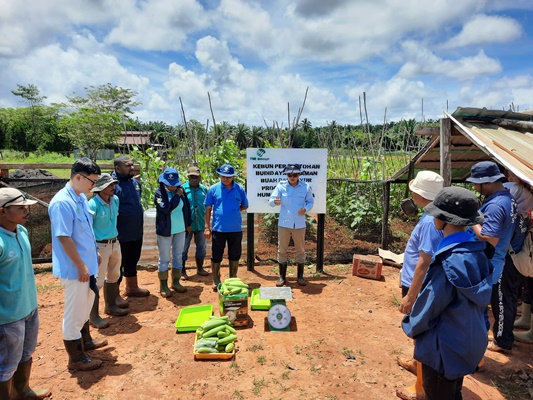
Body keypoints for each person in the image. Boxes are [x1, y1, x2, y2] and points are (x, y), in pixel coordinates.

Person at [402, 186, 493, 400]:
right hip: (466, 341)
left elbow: (429, 308)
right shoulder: (478, 252)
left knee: (438, 392)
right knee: (453, 391)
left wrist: (410, 325)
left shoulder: (447, 262)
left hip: (442, 349)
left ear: (444, 220)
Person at [49, 157, 107, 371]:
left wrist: (93, 254)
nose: (94, 186)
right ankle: (76, 359)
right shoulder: (62, 202)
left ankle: (86, 342)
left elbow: (85, 231)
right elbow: (64, 237)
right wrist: (81, 265)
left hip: (87, 264)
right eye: (93, 181)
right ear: (79, 177)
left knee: (84, 307)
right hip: (75, 269)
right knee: (74, 313)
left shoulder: (80, 197)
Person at [396, 171, 444, 400]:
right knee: (419, 332)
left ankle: (421, 388)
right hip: (421, 284)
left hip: (419, 286)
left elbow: (424, 263)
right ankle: (417, 365)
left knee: (422, 332)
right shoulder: (432, 217)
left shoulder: (429, 223)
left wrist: (411, 296)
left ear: (419, 194)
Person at [0, 188, 51, 399]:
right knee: (6, 363)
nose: (25, 212)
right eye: (20, 208)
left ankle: (23, 390)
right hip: (8, 315)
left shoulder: (22, 231)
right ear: (3, 211)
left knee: (26, 353)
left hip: (29, 306)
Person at [467, 161, 518, 353]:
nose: (474, 187)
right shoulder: (507, 197)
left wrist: (471, 219)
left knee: (489, 305)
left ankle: (490, 344)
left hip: (491, 262)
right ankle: (492, 338)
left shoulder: (496, 205)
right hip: (498, 260)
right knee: (494, 303)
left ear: (485, 182)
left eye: (475, 184)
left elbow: (490, 237)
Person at [88, 173, 129, 329]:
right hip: (100, 246)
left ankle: (110, 305)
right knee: (97, 281)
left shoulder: (115, 200)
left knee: (114, 275)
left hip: (114, 242)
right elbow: (88, 229)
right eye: (110, 185)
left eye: (113, 185)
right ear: (100, 188)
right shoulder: (92, 205)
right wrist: (92, 248)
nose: (113, 188)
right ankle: (93, 315)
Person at [268, 163, 314, 286]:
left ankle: (300, 277)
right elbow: (271, 201)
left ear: (299, 174)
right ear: (286, 175)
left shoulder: (305, 187)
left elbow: (310, 201)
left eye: (295, 174)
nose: (292, 177)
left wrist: (305, 209)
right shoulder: (280, 186)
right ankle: (282, 277)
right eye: (289, 174)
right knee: (282, 250)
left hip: (299, 224)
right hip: (284, 223)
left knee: (300, 250)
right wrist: (275, 201)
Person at [204, 164, 248, 290]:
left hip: (235, 229)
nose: (225, 179)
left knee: (235, 255)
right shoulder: (213, 189)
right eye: (223, 176)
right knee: (216, 255)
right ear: (220, 176)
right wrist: (207, 227)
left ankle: (232, 278)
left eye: (228, 177)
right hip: (219, 229)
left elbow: (245, 205)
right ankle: (216, 279)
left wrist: (234, 210)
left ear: (233, 176)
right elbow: (208, 208)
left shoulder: (239, 189)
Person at [112, 155, 149, 299]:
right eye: (128, 165)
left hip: (136, 231)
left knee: (133, 260)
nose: (132, 167)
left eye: (132, 165)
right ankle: (114, 296)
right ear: (118, 168)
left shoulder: (134, 183)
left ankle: (132, 287)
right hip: (121, 233)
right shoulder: (113, 185)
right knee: (117, 265)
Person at [154, 168, 192, 297]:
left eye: (174, 184)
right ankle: (163, 285)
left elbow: (186, 208)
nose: (172, 186)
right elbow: (165, 209)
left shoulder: (180, 191)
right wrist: (176, 196)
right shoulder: (159, 193)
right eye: (170, 184)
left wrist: (188, 224)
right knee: (164, 258)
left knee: (178, 256)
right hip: (165, 231)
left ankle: (176, 282)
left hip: (180, 230)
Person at [181, 166, 209, 280]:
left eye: (196, 177)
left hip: (201, 224)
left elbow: (207, 206)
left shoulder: (203, 190)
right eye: (191, 177)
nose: (193, 179)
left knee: (201, 247)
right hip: (186, 225)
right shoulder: (182, 189)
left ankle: (200, 268)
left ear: (199, 177)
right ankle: (182, 271)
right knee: (183, 248)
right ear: (188, 177)